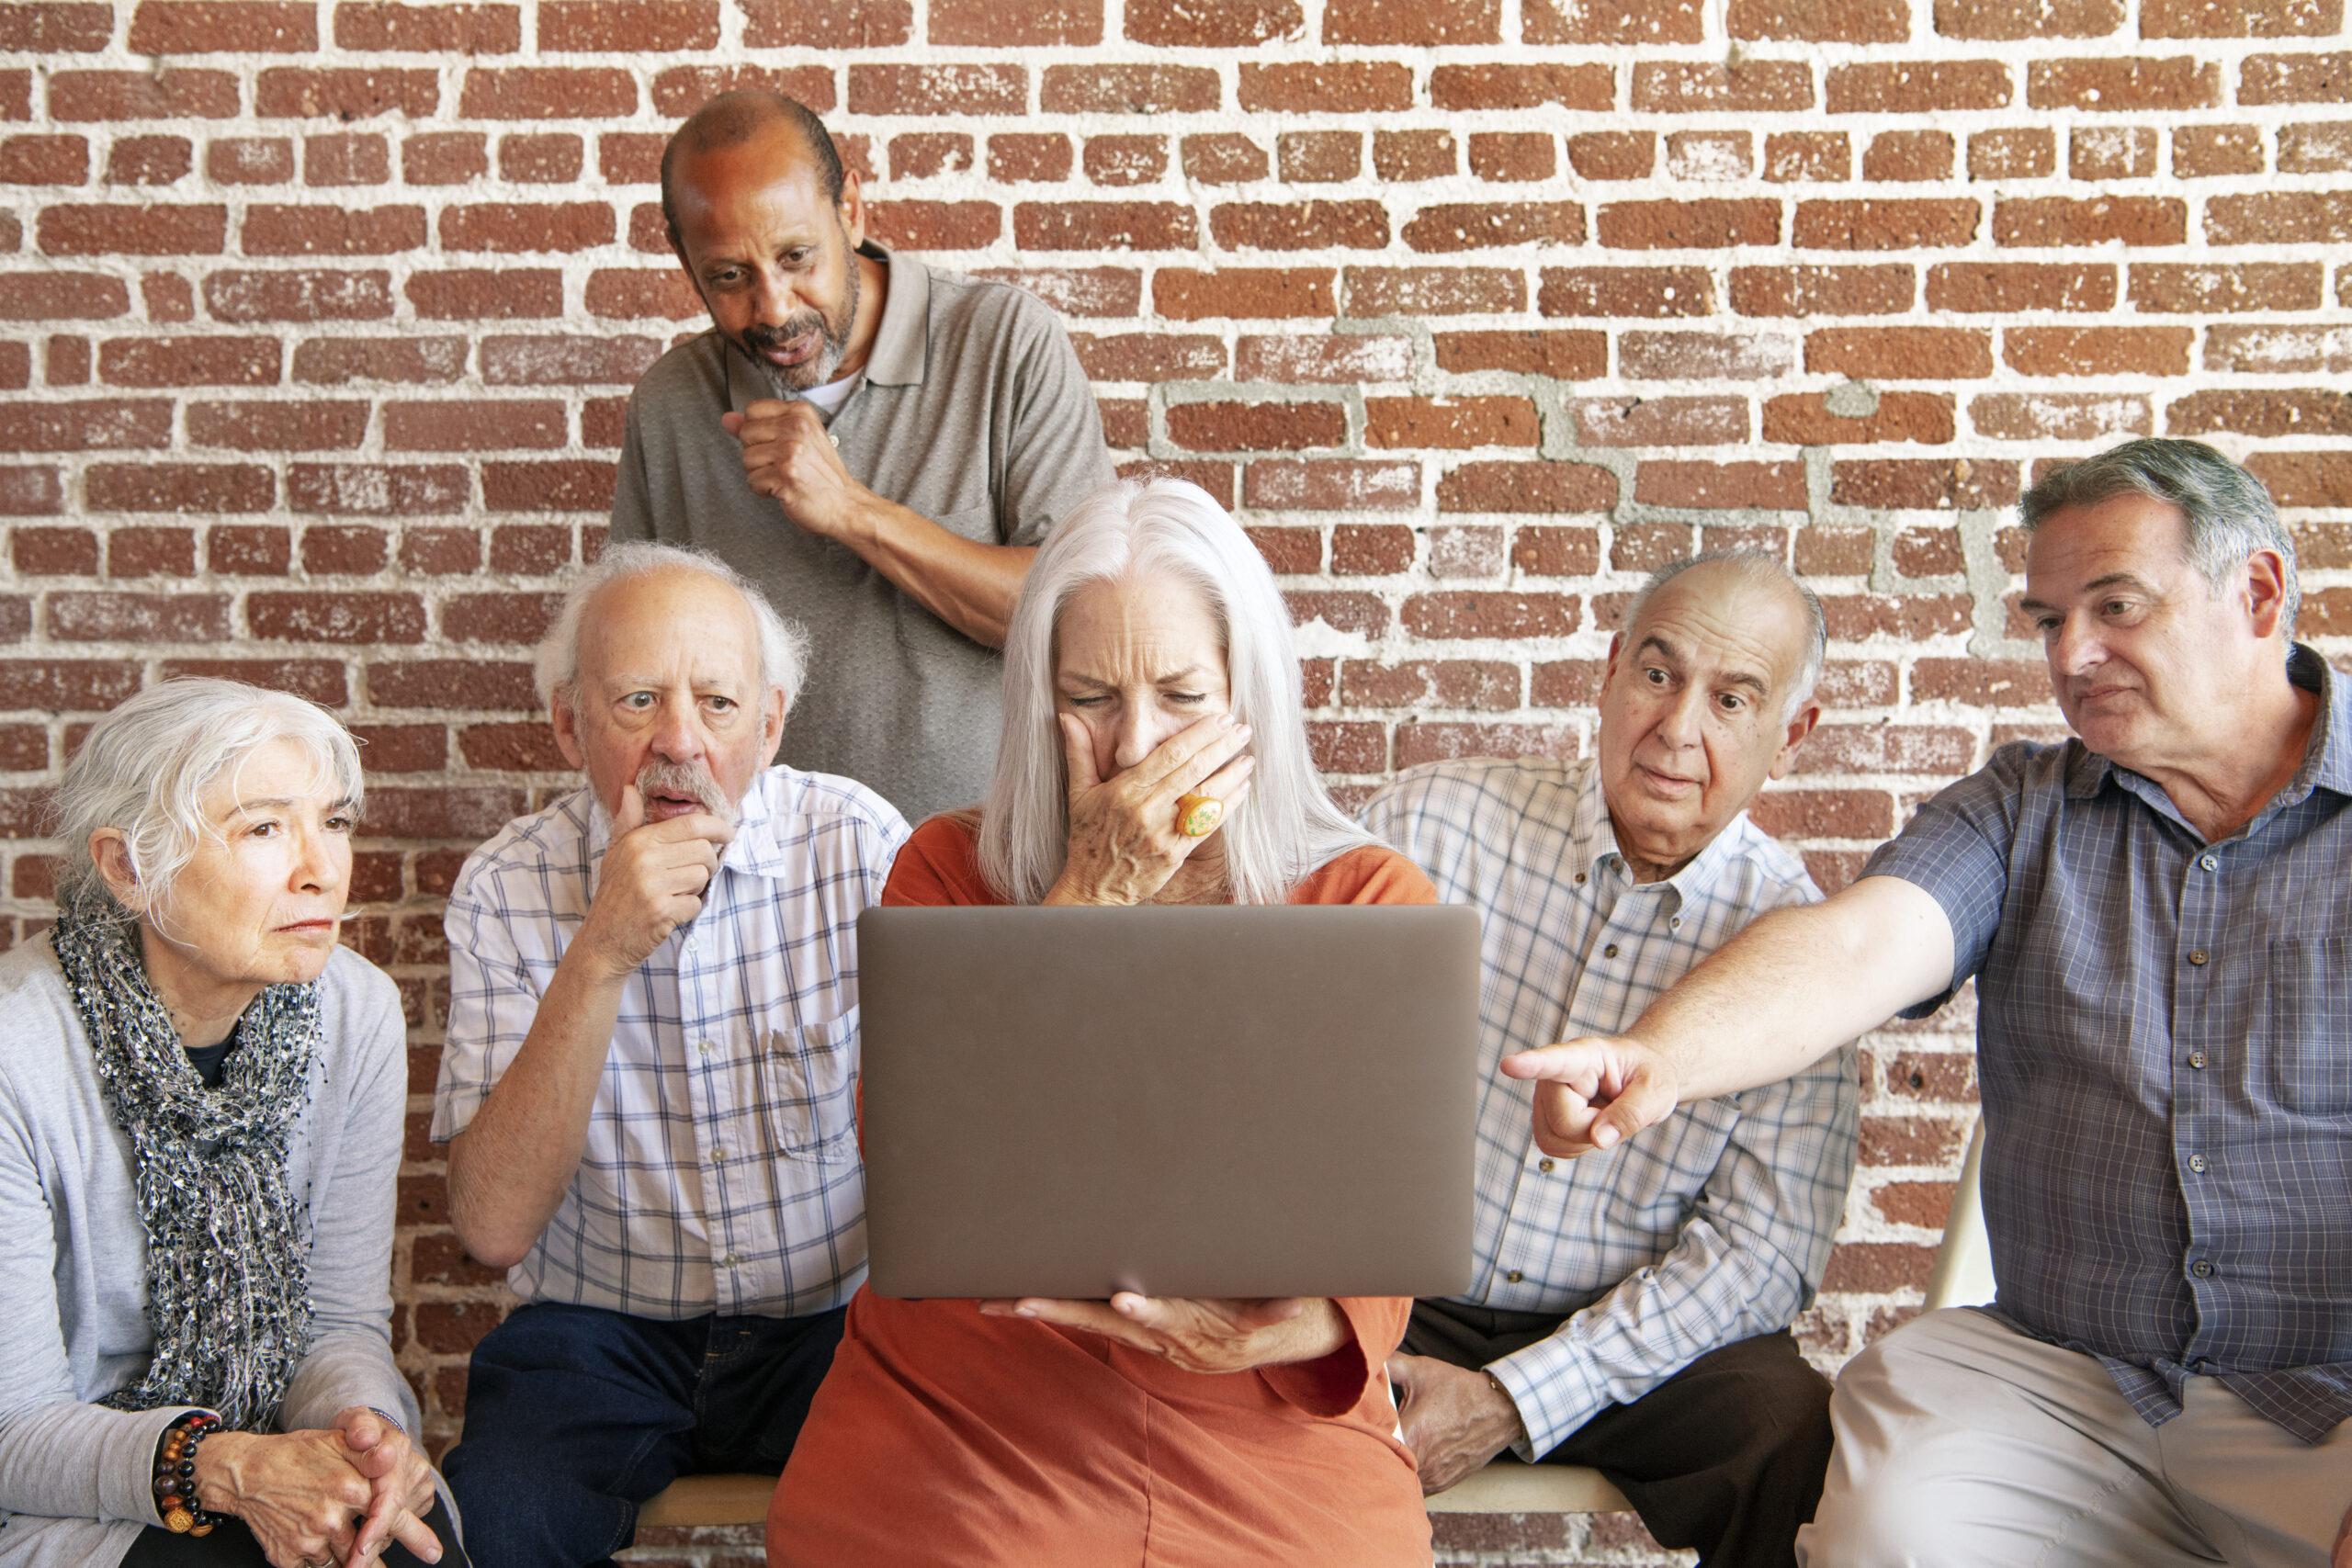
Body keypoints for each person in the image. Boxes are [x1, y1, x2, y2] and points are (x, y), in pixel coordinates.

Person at [1509, 438, 2352, 1568]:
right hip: (2067, 1376)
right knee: (1885, 1530)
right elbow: (1856, 945)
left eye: (2115, 606)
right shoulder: (2024, 805)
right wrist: (1654, 1059)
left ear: (2256, 593)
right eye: (2050, 619)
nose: (2073, 653)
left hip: (2328, 1398)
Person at [766, 477, 1438, 1566]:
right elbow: (918, 1163)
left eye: (1180, 696)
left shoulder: (1361, 898)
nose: (1134, 748)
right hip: (971, 1412)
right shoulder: (944, 869)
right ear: (1036, 701)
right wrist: (1092, 892)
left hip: (1259, 1420)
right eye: (1091, 695)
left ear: (1247, 695)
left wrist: (1295, 1327)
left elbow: (1376, 1246)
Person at [1360, 551, 1858, 1566]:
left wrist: (1516, 1397)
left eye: (1732, 699)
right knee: (1212, 1377)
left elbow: (1763, 1255)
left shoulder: (1799, 944)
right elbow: (1287, 1069)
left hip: (1626, 1336)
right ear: (1608, 671)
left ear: (1789, 732)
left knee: (1785, 1429)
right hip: (1397, 1294)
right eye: (1658, 675)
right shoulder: (1431, 825)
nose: (1677, 730)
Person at [432, 545, 909, 1568]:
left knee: (939, 1516)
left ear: (772, 723)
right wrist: (600, 950)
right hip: (597, 1336)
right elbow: (491, 1227)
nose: (679, 742)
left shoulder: (858, 846)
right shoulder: (503, 887)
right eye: (638, 700)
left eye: (720, 705)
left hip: (831, 1325)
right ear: (569, 724)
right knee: (489, 1532)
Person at [0, 679, 459, 1568]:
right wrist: (221, 1465)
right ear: (129, 868)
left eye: (332, 821)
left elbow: (338, 1325)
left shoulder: (354, 1010)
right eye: (262, 828)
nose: (321, 869)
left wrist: (361, 1437)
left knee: (401, 1544)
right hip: (60, 1499)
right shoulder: (16, 1050)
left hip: (272, 1456)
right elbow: (11, 1430)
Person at [611, 86, 1117, 821]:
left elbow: (1085, 618)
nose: (776, 306)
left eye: (796, 256)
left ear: (851, 209)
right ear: (683, 259)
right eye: (729, 276)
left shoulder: (1006, 344)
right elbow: (630, 664)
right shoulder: (669, 406)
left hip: (983, 872)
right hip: (757, 897)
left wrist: (851, 511)